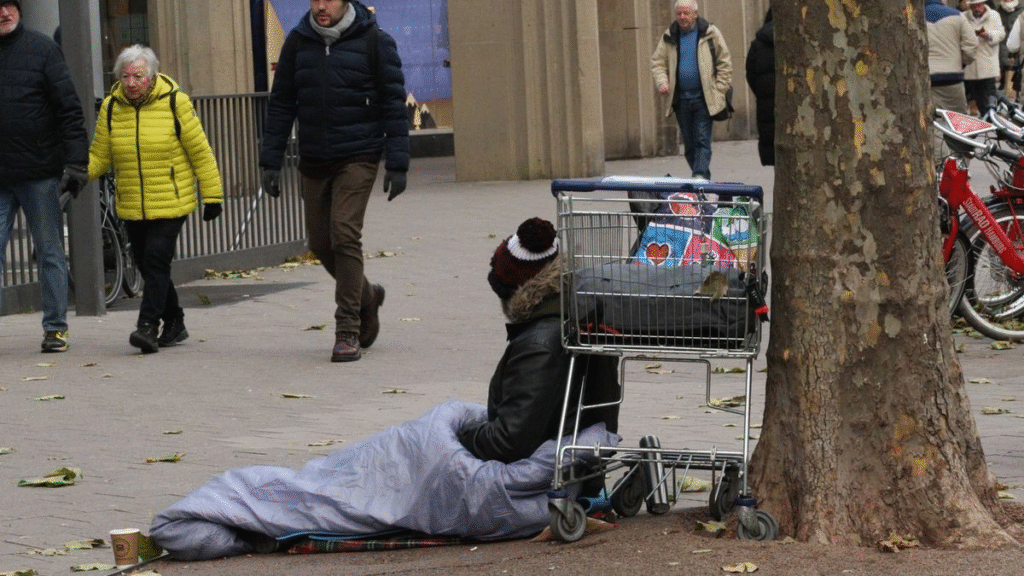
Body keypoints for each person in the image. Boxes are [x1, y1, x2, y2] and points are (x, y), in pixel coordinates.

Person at [259, 0, 408, 363]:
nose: (321, 6)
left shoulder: (375, 41)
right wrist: (270, 160)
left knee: (343, 234)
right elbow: (282, 103)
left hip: (359, 153)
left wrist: (398, 164)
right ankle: (368, 297)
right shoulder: (298, 42)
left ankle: (347, 330)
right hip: (314, 157)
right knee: (320, 242)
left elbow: (393, 103)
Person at [87, 44, 223, 354]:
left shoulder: (175, 102)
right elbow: (101, 155)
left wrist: (213, 195)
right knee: (149, 267)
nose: (131, 83)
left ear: (151, 77)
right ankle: (175, 321)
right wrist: (80, 176)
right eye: (125, 76)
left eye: (138, 76)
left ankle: (147, 327)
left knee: (155, 260)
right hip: (132, 202)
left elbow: (200, 152)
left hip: (171, 200)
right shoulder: (111, 107)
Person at [457, 217, 620, 464]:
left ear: (514, 292)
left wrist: (460, 434)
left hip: (538, 473)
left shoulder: (538, 345)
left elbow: (507, 442)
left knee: (429, 435)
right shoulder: (579, 314)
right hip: (575, 462)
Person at [0, 0, 88, 353]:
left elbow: (69, 108)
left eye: (8, 5)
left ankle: (55, 328)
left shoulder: (43, 50)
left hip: (38, 173)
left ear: (19, 10)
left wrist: (77, 163)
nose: (3, 13)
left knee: (50, 251)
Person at [650, 0, 732, 180]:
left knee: (702, 140)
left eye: (686, 13)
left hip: (705, 98)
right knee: (689, 145)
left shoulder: (710, 33)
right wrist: (662, 82)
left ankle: (699, 175)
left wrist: (719, 90)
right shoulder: (670, 35)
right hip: (681, 99)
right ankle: (703, 180)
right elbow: (658, 62)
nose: (682, 17)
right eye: (679, 13)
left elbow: (724, 62)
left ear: (695, 14)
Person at [927, 0, 979, 114]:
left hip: (925, 78)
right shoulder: (957, 15)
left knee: (928, 118)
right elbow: (972, 45)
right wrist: (963, 62)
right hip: (952, 76)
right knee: (957, 119)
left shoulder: (913, 17)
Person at [963, 0, 1005, 116]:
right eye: (974, 6)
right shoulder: (963, 17)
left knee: (990, 95)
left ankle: (993, 118)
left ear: (983, 4)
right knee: (977, 96)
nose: (977, 8)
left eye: (979, 5)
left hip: (988, 62)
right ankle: (986, 117)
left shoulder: (994, 15)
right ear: (970, 6)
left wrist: (988, 35)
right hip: (971, 65)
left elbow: (1001, 34)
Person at [745, 7, 775, 167]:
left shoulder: (758, 43)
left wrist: (763, 93)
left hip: (767, 105)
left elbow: (751, 74)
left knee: (775, 153)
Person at [996, 0, 1023, 95]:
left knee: (1016, 77)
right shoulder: (999, 10)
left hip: (1016, 49)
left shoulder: (1021, 11)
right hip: (1002, 47)